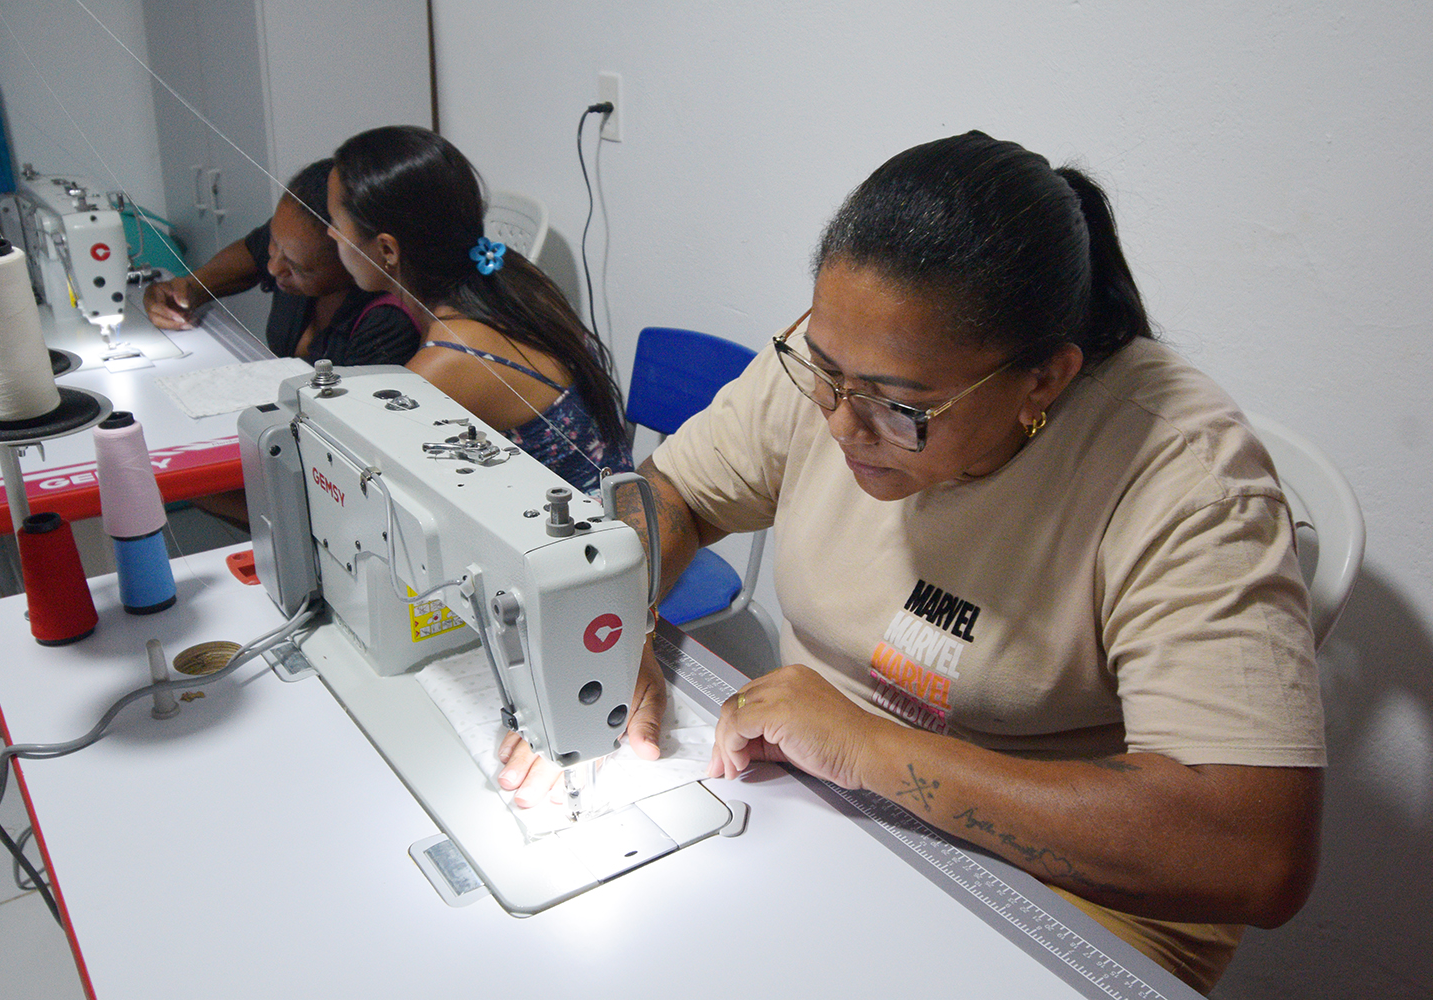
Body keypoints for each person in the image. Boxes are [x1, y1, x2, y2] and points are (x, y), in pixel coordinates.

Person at [504, 132, 1325, 992]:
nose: (839, 425)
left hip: (1073, 908)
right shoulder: (848, 369)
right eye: (823, 372)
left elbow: (1253, 852)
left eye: (901, 408)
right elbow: (674, 493)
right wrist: (613, 625)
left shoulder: (1183, 475)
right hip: (833, 819)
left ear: (1043, 381)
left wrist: (870, 750)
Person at [326, 126, 632, 495]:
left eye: (336, 224)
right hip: (620, 510)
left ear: (388, 250)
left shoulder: (446, 364)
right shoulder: (513, 274)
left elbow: (361, 481)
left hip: (595, 542)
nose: (330, 235)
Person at [142, 158, 420, 366]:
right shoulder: (295, 241)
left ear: (352, 258)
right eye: (274, 244)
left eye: (298, 268)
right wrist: (188, 289)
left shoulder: (389, 323)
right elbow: (252, 254)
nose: (273, 267)